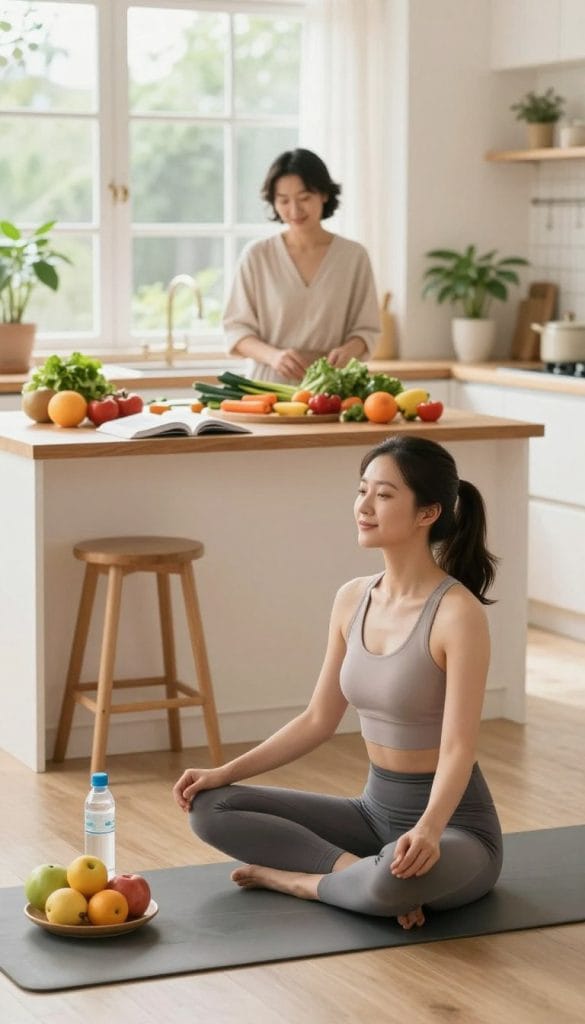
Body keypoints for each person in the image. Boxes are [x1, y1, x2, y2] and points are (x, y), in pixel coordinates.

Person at [173, 436, 503, 930]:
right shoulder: (352, 599)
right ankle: (356, 875)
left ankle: (297, 881)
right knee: (210, 807)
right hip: (372, 815)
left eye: (385, 495)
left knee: (394, 880)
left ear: (427, 513)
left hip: (454, 827)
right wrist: (224, 772)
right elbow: (317, 720)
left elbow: (458, 747)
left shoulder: (458, 615)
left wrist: (430, 831)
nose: (364, 507)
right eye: (362, 490)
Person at [223, 148, 380, 383]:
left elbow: (367, 329)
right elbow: (236, 330)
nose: (294, 210)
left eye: (305, 198)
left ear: (324, 194)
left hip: (333, 389)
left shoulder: (354, 256)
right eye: (283, 200)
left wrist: (349, 351)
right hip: (268, 389)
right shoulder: (257, 256)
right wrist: (274, 357)